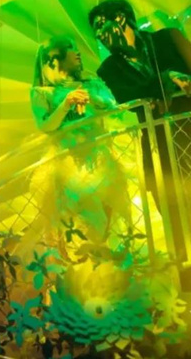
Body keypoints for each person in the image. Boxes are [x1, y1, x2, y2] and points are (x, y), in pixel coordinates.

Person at [88, 0, 191, 291]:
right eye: (95, 30)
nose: (100, 34)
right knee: (175, 226)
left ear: (122, 18)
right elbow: (129, 97)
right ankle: (190, 292)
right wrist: (167, 78)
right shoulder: (109, 69)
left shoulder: (168, 38)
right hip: (158, 153)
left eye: (103, 24)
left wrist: (182, 78)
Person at [14, 36, 132, 257]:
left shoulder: (92, 83)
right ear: (53, 58)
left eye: (76, 48)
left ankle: (109, 258)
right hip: (68, 164)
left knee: (108, 211)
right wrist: (66, 104)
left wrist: (92, 98)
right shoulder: (42, 92)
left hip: (100, 159)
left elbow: (114, 108)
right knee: (80, 215)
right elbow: (45, 125)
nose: (76, 52)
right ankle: (84, 260)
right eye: (69, 48)